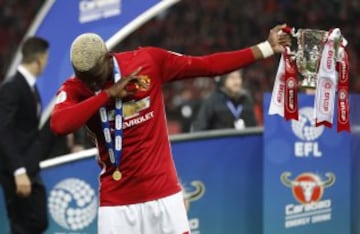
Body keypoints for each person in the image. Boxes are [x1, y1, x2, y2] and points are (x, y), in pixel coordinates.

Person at [50, 24, 290, 233]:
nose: (91, 82)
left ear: (107, 56)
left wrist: (266, 48)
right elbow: (59, 125)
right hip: (116, 202)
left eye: (95, 75)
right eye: (84, 77)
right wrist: (106, 95)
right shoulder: (77, 87)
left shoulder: (146, 62)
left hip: (163, 193)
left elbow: (208, 65)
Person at [0, 37, 56, 234]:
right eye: (46, 58)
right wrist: (18, 170)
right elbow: (3, 130)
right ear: (39, 59)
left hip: (30, 167)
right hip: (18, 171)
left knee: (37, 222)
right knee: (23, 225)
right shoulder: (12, 87)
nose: (46, 63)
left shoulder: (29, 87)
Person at [191, 69, 258, 131]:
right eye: (232, 78)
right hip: (220, 143)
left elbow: (253, 126)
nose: (236, 82)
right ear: (224, 80)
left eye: (238, 77)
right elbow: (200, 127)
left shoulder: (246, 100)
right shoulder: (212, 101)